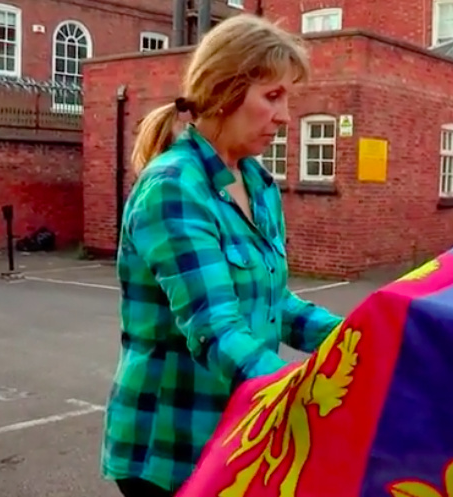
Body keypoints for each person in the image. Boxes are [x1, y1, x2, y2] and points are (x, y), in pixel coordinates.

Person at [100, 14, 343, 497]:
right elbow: (216, 330)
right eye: (272, 96)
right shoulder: (174, 188)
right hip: (172, 452)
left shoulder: (258, 183)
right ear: (223, 90)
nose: (285, 116)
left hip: (235, 436)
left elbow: (276, 307)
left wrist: (360, 341)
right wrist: (311, 398)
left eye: (287, 98)